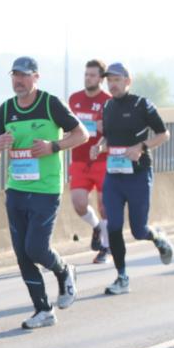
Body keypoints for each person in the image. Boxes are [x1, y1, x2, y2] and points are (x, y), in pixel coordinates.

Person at [0, 56, 88, 328]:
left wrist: (53, 146)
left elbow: (82, 134)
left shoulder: (50, 103)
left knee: (36, 248)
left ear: (36, 77)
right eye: (15, 75)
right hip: (16, 189)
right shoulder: (6, 109)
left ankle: (64, 271)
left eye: (24, 75)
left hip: (46, 189)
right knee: (22, 254)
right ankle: (43, 310)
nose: (18, 80)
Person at [94, 63, 174, 295]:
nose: (112, 84)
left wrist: (141, 146)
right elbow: (108, 137)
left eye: (117, 80)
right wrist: (99, 146)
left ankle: (157, 237)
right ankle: (122, 278)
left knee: (138, 231)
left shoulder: (141, 104)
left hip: (138, 176)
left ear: (128, 81)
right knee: (114, 226)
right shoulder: (107, 106)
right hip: (114, 176)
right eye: (109, 80)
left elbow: (163, 134)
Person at [68, 59, 112, 264]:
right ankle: (96, 227)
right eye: (86, 74)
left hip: (102, 160)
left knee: (104, 206)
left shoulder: (108, 101)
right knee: (79, 203)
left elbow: (115, 132)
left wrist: (104, 128)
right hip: (79, 159)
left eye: (93, 75)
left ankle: (106, 247)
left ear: (101, 78)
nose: (88, 78)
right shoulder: (74, 99)